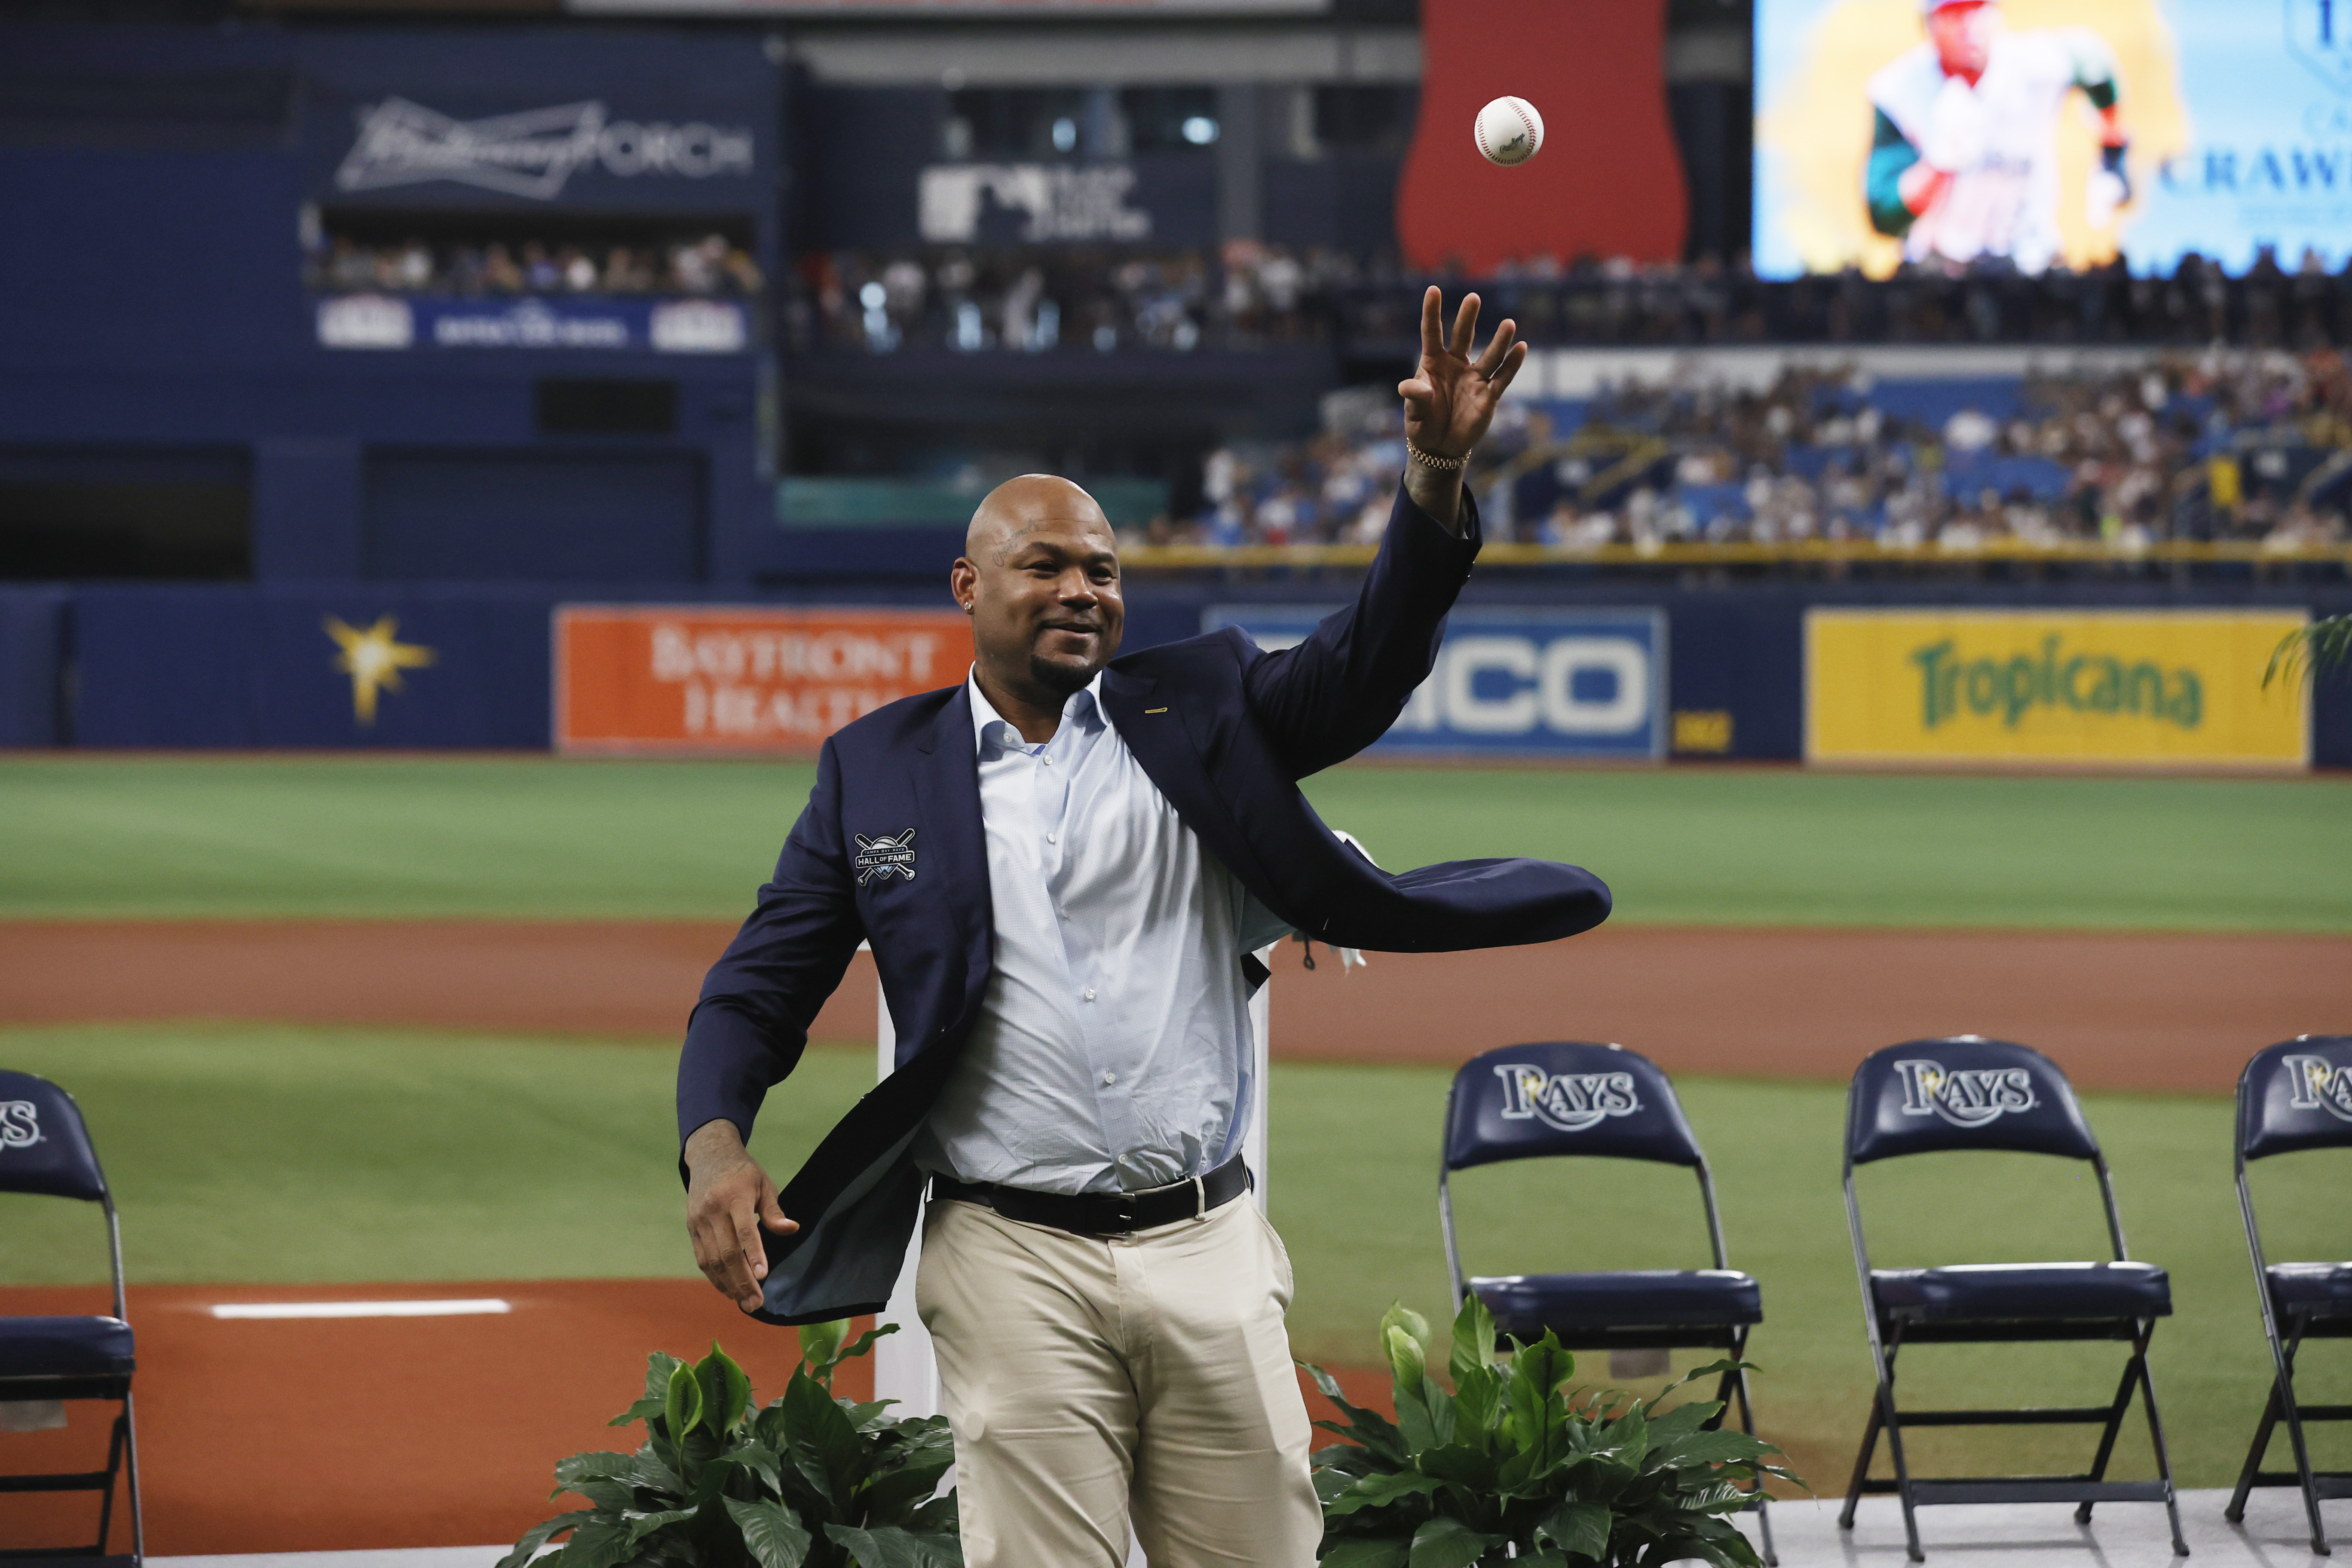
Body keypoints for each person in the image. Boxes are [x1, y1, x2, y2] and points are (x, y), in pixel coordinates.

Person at [675, 287, 1612, 1568]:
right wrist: (717, 1145)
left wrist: (1435, 479)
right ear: (968, 585)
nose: (1081, 590)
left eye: (1103, 569)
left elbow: (1367, 665)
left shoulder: (1203, 706)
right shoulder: (876, 772)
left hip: (1206, 1244)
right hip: (1006, 1254)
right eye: (1044, 565)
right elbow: (759, 985)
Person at [1865, 0, 2131, 275]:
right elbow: (1884, 216)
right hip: (1939, 265)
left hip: (2029, 255)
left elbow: (2093, 60)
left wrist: (2113, 149)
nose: (1969, 27)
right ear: (1930, 24)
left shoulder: (2032, 64)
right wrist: (1940, 163)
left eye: (1978, 9)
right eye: (1956, 14)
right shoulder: (1900, 91)